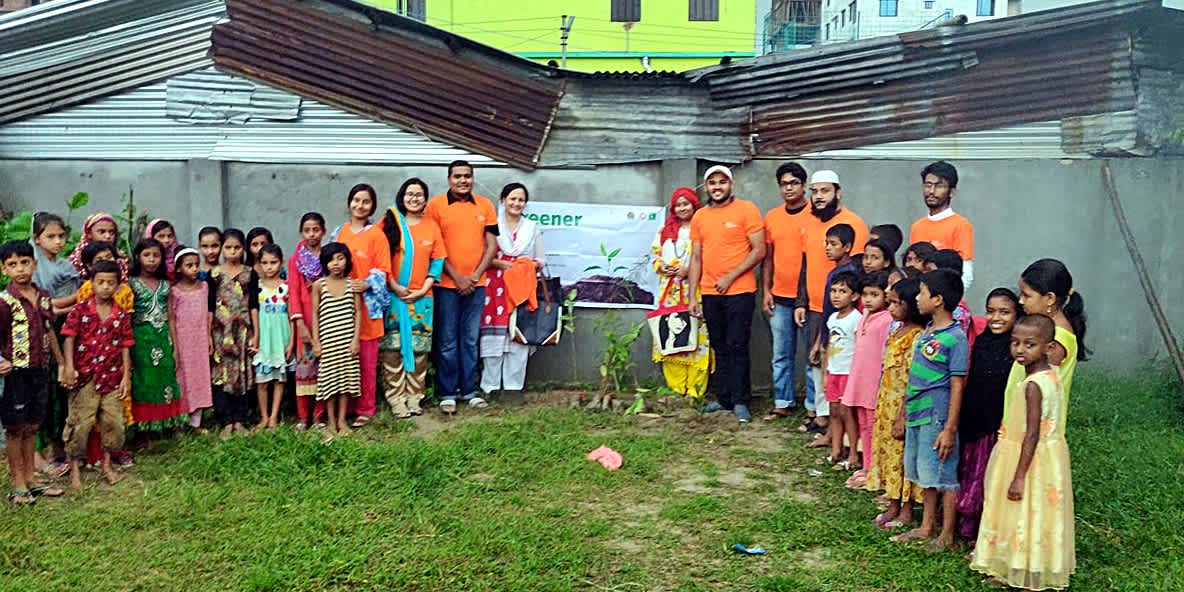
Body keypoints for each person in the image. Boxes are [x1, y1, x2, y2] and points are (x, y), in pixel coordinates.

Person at [971, 314, 1075, 590]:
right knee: (1034, 513)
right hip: (1046, 457)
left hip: (1027, 458)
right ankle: (1019, 568)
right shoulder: (1051, 377)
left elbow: (1032, 432)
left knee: (1024, 510)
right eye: (1015, 343)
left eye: (1030, 344)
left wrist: (1018, 476)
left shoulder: (1033, 385)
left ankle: (1027, 573)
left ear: (1049, 347)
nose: (1020, 349)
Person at [892, 268, 968, 552]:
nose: (918, 298)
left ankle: (946, 534)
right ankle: (926, 526)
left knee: (944, 474)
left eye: (922, 293)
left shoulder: (955, 337)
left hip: (937, 415)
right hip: (916, 412)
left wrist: (949, 428)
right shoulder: (927, 332)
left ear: (937, 300)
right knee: (924, 471)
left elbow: (957, 385)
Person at [687, 165, 765, 424]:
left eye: (722, 182)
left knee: (737, 344)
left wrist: (731, 276)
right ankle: (723, 398)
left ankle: (741, 401)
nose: (717, 187)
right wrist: (692, 296)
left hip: (740, 291)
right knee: (719, 346)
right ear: (706, 187)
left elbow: (759, 250)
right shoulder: (699, 216)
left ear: (730, 185)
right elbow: (696, 258)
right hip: (710, 292)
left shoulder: (747, 210)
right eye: (712, 183)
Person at [794, 170, 868, 434]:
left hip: (840, 309)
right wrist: (800, 301)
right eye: (814, 192)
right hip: (815, 306)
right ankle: (819, 413)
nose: (818, 197)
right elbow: (805, 263)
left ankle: (832, 420)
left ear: (838, 192)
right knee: (815, 362)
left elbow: (859, 271)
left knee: (835, 362)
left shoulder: (854, 224)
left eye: (824, 191)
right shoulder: (808, 221)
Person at [425, 161, 498, 414]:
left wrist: (475, 275)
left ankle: (469, 391)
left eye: (467, 176)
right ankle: (447, 392)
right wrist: (457, 277)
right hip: (446, 285)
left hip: (477, 285)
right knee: (446, 340)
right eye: (457, 176)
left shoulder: (485, 206)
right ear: (449, 179)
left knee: (469, 339)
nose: (463, 181)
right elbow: (434, 247)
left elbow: (491, 247)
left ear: (472, 179)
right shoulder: (435, 206)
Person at [0, 240, 66, 503]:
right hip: (16, 374)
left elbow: (50, 331)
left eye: (25, 263)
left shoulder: (43, 297)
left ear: (34, 264)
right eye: (13, 265)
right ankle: (18, 483)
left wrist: (61, 363)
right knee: (15, 428)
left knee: (32, 426)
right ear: (4, 269)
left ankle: (31, 479)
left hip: (40, 370)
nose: (20, 269)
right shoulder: (4, 302)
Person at [59, 259, 132, 489]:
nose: (106, 287)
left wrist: (126, 376)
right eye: (100, 282)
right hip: (85, 377)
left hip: (111, 377)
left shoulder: (120, 314)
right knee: (79, 424)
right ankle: (74, 472)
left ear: (118, 285)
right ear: (91, 283)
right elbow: (69, 338)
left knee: (114, 423)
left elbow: (125, 345)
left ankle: (107, 465)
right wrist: (69, 367)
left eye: (111, 283)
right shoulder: (80, 310)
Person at [956, 288, 1019, 541]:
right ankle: (964, 526)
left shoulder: (1016, 349)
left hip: (995, 424)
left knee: (985, 477)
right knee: (967, 470)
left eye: (1005, 312)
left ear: (1017, 314)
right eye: (991, 311)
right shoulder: (982, 341)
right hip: (972, 419)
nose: (996, 318)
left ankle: (981, 531)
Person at [381, 179, 445, 418]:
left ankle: (414, 397)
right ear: (402, 196)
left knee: (419, 352)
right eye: (410, 194)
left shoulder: (431, 226)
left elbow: (438, 261)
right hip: (394, 296)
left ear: (425, 200)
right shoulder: (390, 222)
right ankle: (396, 399)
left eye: (419, 195)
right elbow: (380, 257)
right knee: (392, 350)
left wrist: (423, 288)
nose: (414, 198)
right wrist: (394, 285)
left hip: (422, 298)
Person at [866, 277, 926, 530]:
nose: (890, 309)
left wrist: (903, 415)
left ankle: (906, 508)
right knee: (888, 454)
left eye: (896, 304)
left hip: (902, 407)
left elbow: (913, 379)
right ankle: (892, 502)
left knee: (902, 457)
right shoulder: (896, 331)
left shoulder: (916, 337)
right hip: (885, 404)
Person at [479, 182, 545, 398]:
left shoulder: (531, 228)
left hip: (522, 288)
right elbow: (482, 257)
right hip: (495, 287)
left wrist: (525, 265)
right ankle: (490, 388)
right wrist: (501, 264)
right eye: (512, 199)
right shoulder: (493, 225)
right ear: (503, 200)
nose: (516, 203)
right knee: (494, 337)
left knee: (518, 336)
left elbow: (541, 259)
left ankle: (513, 389)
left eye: (521, 200)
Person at [334, 184, 392, 427]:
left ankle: (365, 408)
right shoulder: (339, 233)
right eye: (356, 200)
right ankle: (344, 407)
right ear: (349, 203)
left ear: (372, 206)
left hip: (368, 308)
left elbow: (384, 269)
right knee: (345, 358)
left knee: (366, 361)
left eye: (366, 201)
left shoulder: (377, 235)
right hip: (341, 306)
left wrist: (366, 284)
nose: (360, 205)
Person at [1003, 258, 1089, 419]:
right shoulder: (1046, 331)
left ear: (1049, 298)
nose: (1020, 301)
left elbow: (1041, 391)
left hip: (1032, 428)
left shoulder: (1055, 341)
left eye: (1027, 295)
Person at [31, 213, 80, 480]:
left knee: (63, 393)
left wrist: (68, 305)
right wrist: (77, 300)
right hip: (44, 336)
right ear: (37, 239)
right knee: (43, 395)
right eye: (51, 236)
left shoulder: (66, 265)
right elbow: (43, 306)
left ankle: (60, 447)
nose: (58, 241)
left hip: (67, 333)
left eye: (61, 236)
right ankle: (39, 454)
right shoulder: (33, 267)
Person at [651, 187, 712, 401]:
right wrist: (662, 267)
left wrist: (689, 271)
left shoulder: (704, 228)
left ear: (695, 204)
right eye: (678, 204)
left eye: (686, 203)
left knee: (697, 338)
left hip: (696, 291)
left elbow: (710, 257)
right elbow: (654, 258)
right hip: (669, 293)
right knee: (671, 338)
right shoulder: (664, 232)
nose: (682, 208)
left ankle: (695, 390)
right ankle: (676, 389)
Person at [762, 163, 810, 419]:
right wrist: (766, 290)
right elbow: (768, 258)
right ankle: (783, 401)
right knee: (781, 353)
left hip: (808, 299)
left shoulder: (816, 213)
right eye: (784, 184)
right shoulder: (772, 217)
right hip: (779, 297)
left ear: (803, 185)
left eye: (794, 183)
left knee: (812, 355)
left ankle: (814, 407)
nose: (789, 188)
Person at [805, 223, 860, 446]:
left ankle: (842, 441)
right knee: (826, 387)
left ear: (847, 247)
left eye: (833, 244)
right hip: (830, 331)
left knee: (842, 402)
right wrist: (820, 340)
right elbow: (829, 313)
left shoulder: (849, 274)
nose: (827, 248)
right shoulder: (834, 271)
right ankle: (831, 437)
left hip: (844, 347)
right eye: (826, 243)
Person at [127, 238, 186, 434]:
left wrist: (176, 348)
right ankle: (144, 428)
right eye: (147, 255)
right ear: (137, 257)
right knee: (144, 380)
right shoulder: (130, 284)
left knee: (165, 378)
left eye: (156, 255)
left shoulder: (165, 285)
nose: (151, 260)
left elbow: (170, 317)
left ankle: (166, 423)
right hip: (140, 340)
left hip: (162, 338)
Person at [841, 270, 893, 488]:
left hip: (874, 382)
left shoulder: (887, 320)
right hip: (860, 379)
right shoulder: (864, 317)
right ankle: (867, 466)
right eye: (865, 294)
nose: (869, 299)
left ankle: (874, 470)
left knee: (873, 427)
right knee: (863, 424)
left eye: (874, 295)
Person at [311, 243, 363, 444]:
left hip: (347, 342)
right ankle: (331, 421)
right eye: (331, 259)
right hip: (328, 343)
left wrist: (356, 339)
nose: (336, 264)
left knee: (345, 383)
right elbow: (314, 314)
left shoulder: (353, 285)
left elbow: (358, 312)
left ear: (347, 261)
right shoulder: (319, 285)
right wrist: (316, 342)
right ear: (325, 263)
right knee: (330, 384)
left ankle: (342, 420)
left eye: (340, 258)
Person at [210, 228, 258, 440]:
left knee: (241, 372)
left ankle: (240, 419)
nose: (232, 251)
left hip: (242, 331)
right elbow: (210, 307)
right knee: (221, 374)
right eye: (228, 247)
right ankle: (225, 421)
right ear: (221, 248)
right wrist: (208, 335)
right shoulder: (214, 274)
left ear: (243, 249)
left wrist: (255, 332)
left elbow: (254, 304)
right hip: (220, 332)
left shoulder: (250, 273)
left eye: (237, 247)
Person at [288, 213, 327, 430]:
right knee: (304, 370)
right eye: (307, 230)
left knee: (323, 369)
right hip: (304, 319)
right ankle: (303, 417)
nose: (312, 235)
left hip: (326, 319)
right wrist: (300, 323)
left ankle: (319, 416)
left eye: (316, 230)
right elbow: (293, 292)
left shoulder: (329, 257)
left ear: (323, 231)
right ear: (301, 232)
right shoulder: (296, 260)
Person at [820, 270, 862, 469]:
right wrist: (825, 372)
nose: (836, 295)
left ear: (854, 296)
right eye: (833, 291)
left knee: (848, 414)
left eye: (842, 291)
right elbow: (829, 346)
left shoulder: (857, 319)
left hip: (848, 373)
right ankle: (835, 450)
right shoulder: (833, 318)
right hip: (834, 372)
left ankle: (853, 452)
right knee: (834, 412)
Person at [910, 161, 974, 289]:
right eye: (928, 185)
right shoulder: (917, 226)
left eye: (939, 186)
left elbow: (965, 274)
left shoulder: (961, 225)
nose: (931, 191)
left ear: (952, 192)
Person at [169, 248, 213, 430]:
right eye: (189, 265)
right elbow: (171, 318)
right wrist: (174, 345)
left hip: (200, 339)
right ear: (179, 268)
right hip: (183, 339)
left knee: (199, 375)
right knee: (183, 376)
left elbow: (209, 313)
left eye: (196, 265)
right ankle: (181, 419)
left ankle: (196, 421)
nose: (194, 269)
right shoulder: (174, 291)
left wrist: (209, 335)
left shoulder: (204, 287)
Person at [252, 244, 293, 431]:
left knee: (279, 380)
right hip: (263, 341)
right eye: (265, 263)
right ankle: (263, 417)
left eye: (273, 262)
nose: (269, 267)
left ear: (281, 262)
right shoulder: (256, 287)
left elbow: (292, 316)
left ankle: (274, 416)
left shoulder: (287, 287)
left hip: (280, 338)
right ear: (259, 265)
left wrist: (291, 341)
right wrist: (255, 337)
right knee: (262, 381)